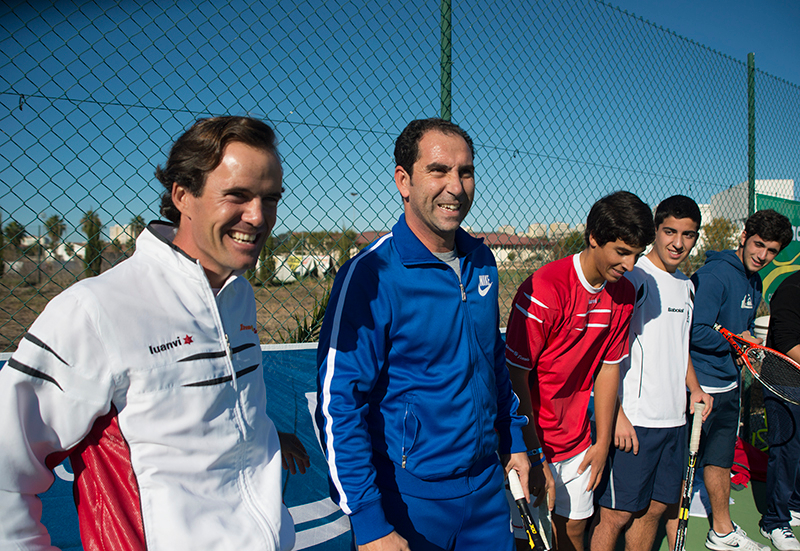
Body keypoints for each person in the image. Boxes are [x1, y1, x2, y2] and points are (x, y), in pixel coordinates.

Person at [0, 116, 307, 550]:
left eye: (270, 198)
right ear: (182, 195)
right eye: (237, 195)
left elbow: (197, 421)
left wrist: (265, 435)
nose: (258, 217)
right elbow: (7, 468)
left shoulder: (237, 294)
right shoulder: (94, 310)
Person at [315, 118, 529, 551]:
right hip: (409, 501)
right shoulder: (371, 275)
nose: (455, 187)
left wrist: (514, 441)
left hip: (487, 489)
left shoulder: (482, 260)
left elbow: (491, 359)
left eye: (465, 172)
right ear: (404, 181)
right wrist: (369, 521)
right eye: (438, 171)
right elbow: (339, 402)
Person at [505, 190, 655, 551]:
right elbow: (514, 377)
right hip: (532, 440)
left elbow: (608, 368)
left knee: (574, 531)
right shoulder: (544, 289)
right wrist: (534, 453)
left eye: (637, 255)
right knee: (528, 539)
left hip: (578, 441)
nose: (630, 265)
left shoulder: (624, 293)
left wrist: (602, 444)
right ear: (593, 238)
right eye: (622, 252)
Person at [591, 195, 713, 551]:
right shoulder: (634, 276)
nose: (678, 243)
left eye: (688, 235)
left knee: (655, 509)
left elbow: (679, 345)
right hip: (635, 421)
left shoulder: (687, 285)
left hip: (674, 423)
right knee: (616, 515)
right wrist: (617, 414)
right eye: (670, 231)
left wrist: (695, 388)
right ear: (655, 230)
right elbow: (603, 353)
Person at [690, 208, 793, 551]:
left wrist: (744, 344)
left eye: (772, 251)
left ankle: (721, 531)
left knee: (720, 459)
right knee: (678, 468)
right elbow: (694, 330)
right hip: (698, 387)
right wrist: (737, 341)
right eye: (758, 244)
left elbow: (740, 330)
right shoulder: (715, 275)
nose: (762, 255)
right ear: (744, 236)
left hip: (729, 385)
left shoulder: (755, 280)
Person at [759, 270, 800, 551]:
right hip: (784, 383)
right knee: (786, 451)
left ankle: (795, 504)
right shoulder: (792, 288)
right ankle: (774, 521)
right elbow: (787, 342)